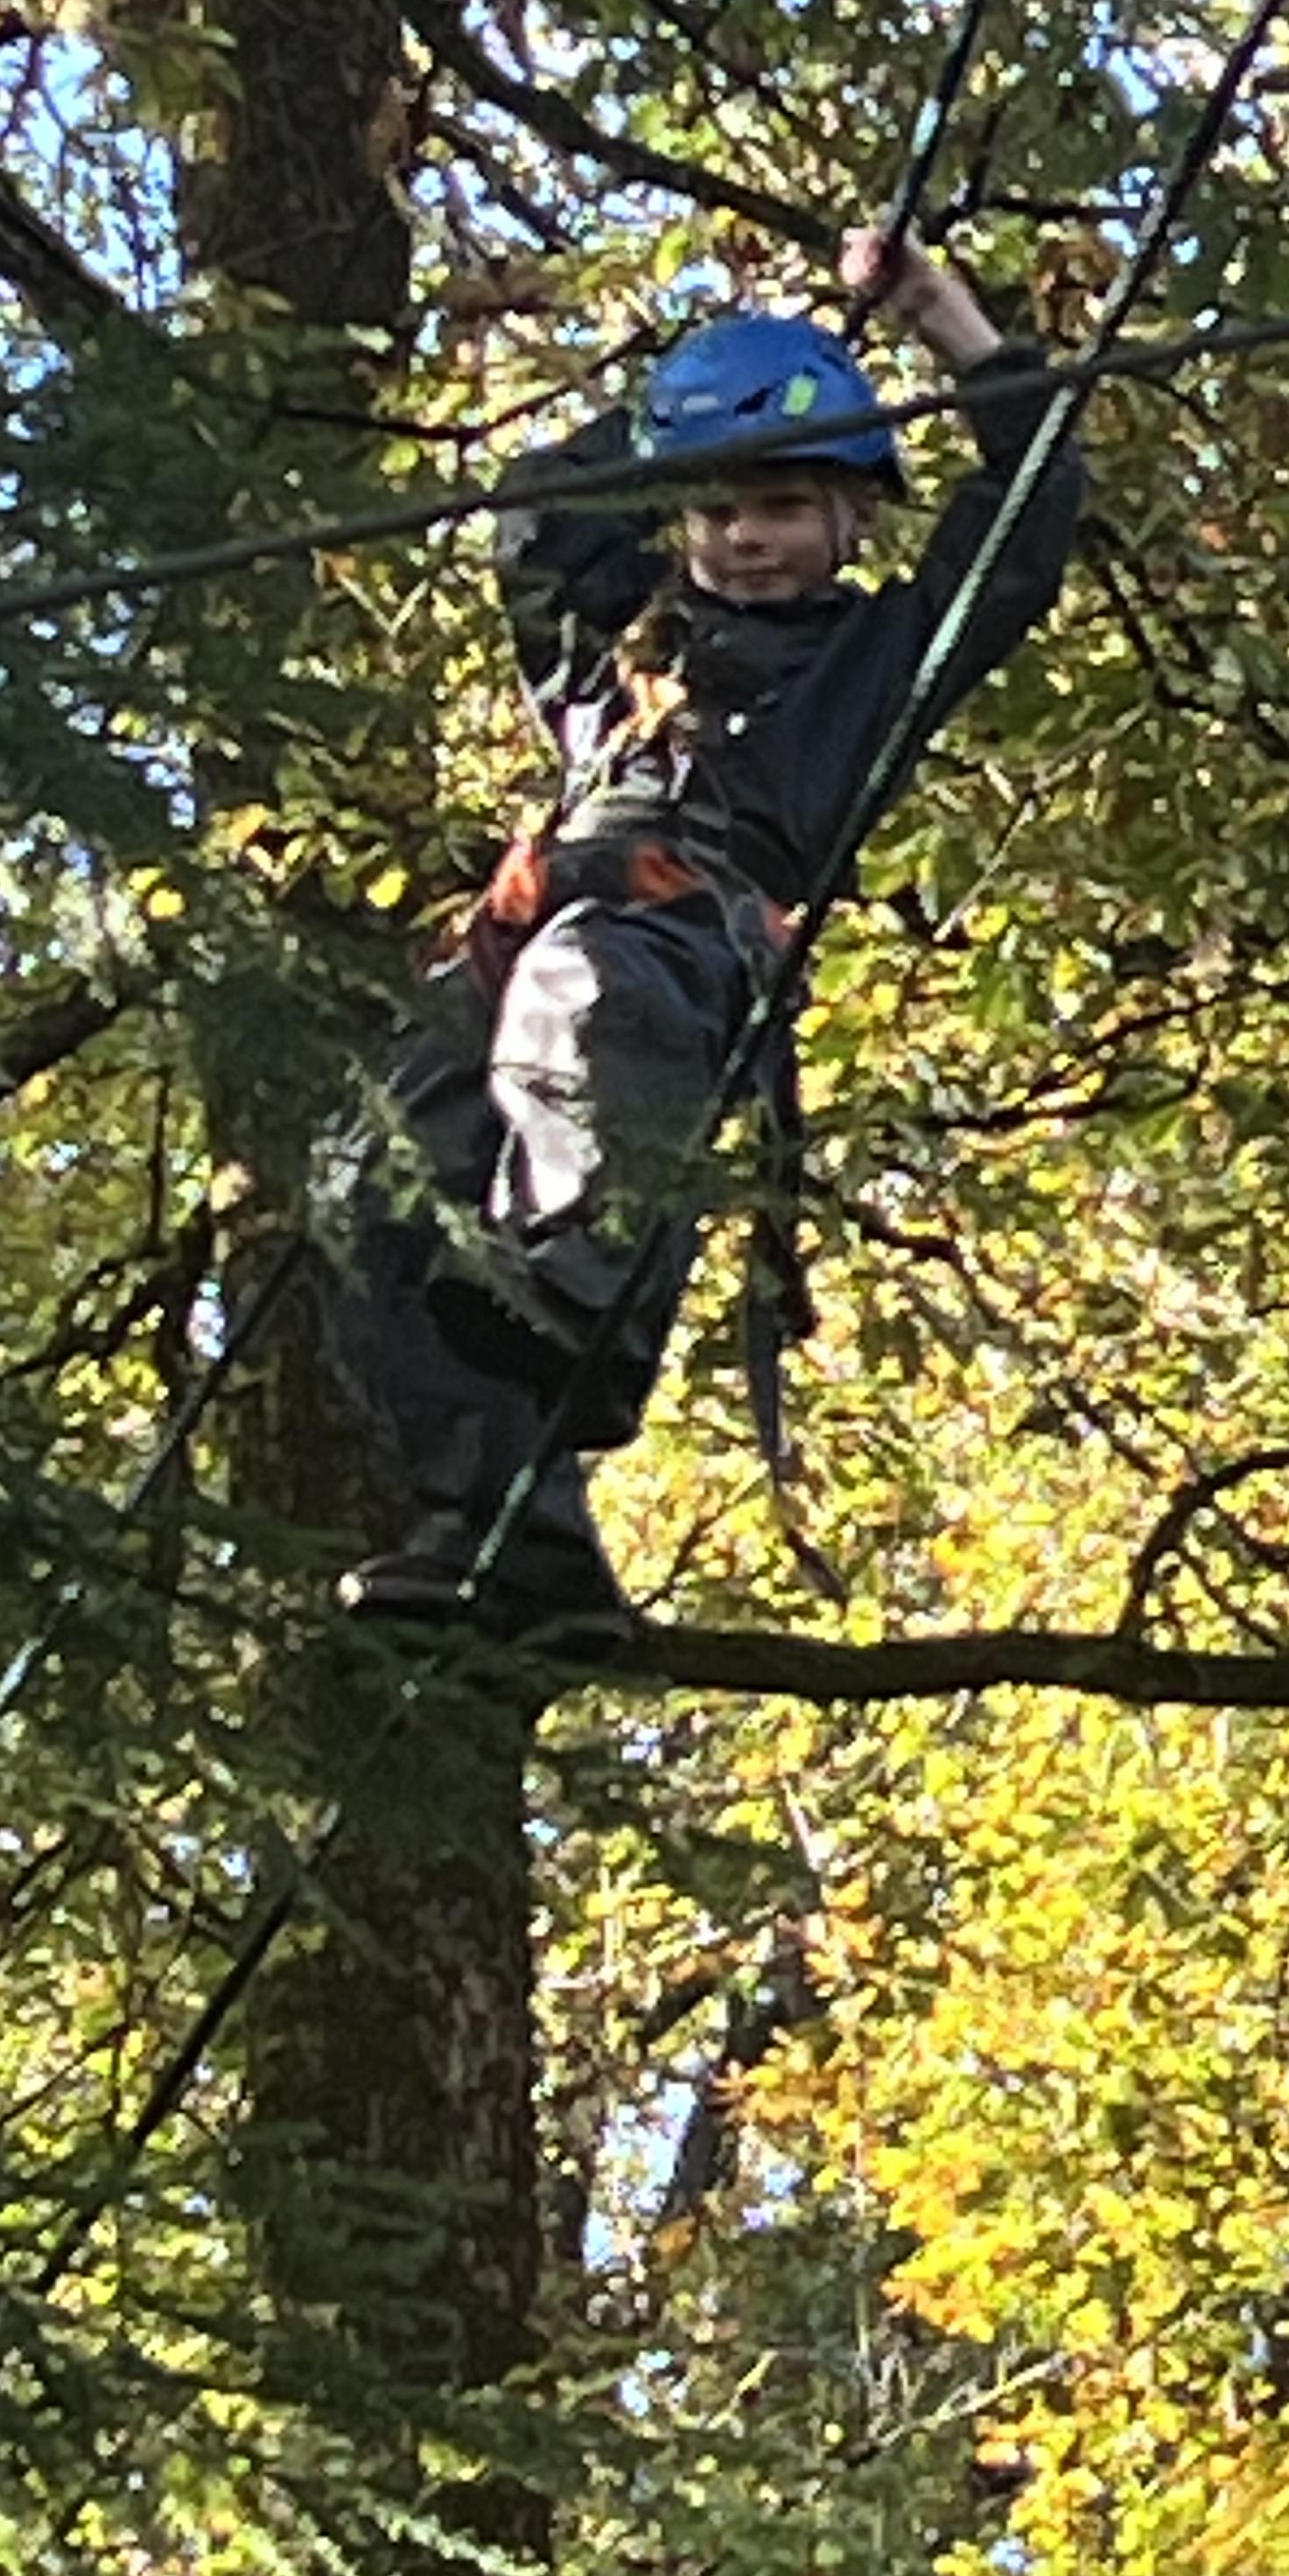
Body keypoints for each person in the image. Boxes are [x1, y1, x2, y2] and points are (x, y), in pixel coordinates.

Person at [334, 227, 1087, 1634]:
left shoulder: (875, 661)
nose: (743, 538)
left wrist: (939, 318)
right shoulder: (614, 653)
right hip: (540, 918)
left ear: (856, 522)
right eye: (716, 509)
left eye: (784, 507)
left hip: (686, 931)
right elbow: (538, 512)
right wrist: (676, 401)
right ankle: (511, 1528)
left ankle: (575, 1293)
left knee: (584, 994)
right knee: (368, 1176)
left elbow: (1029, 512)